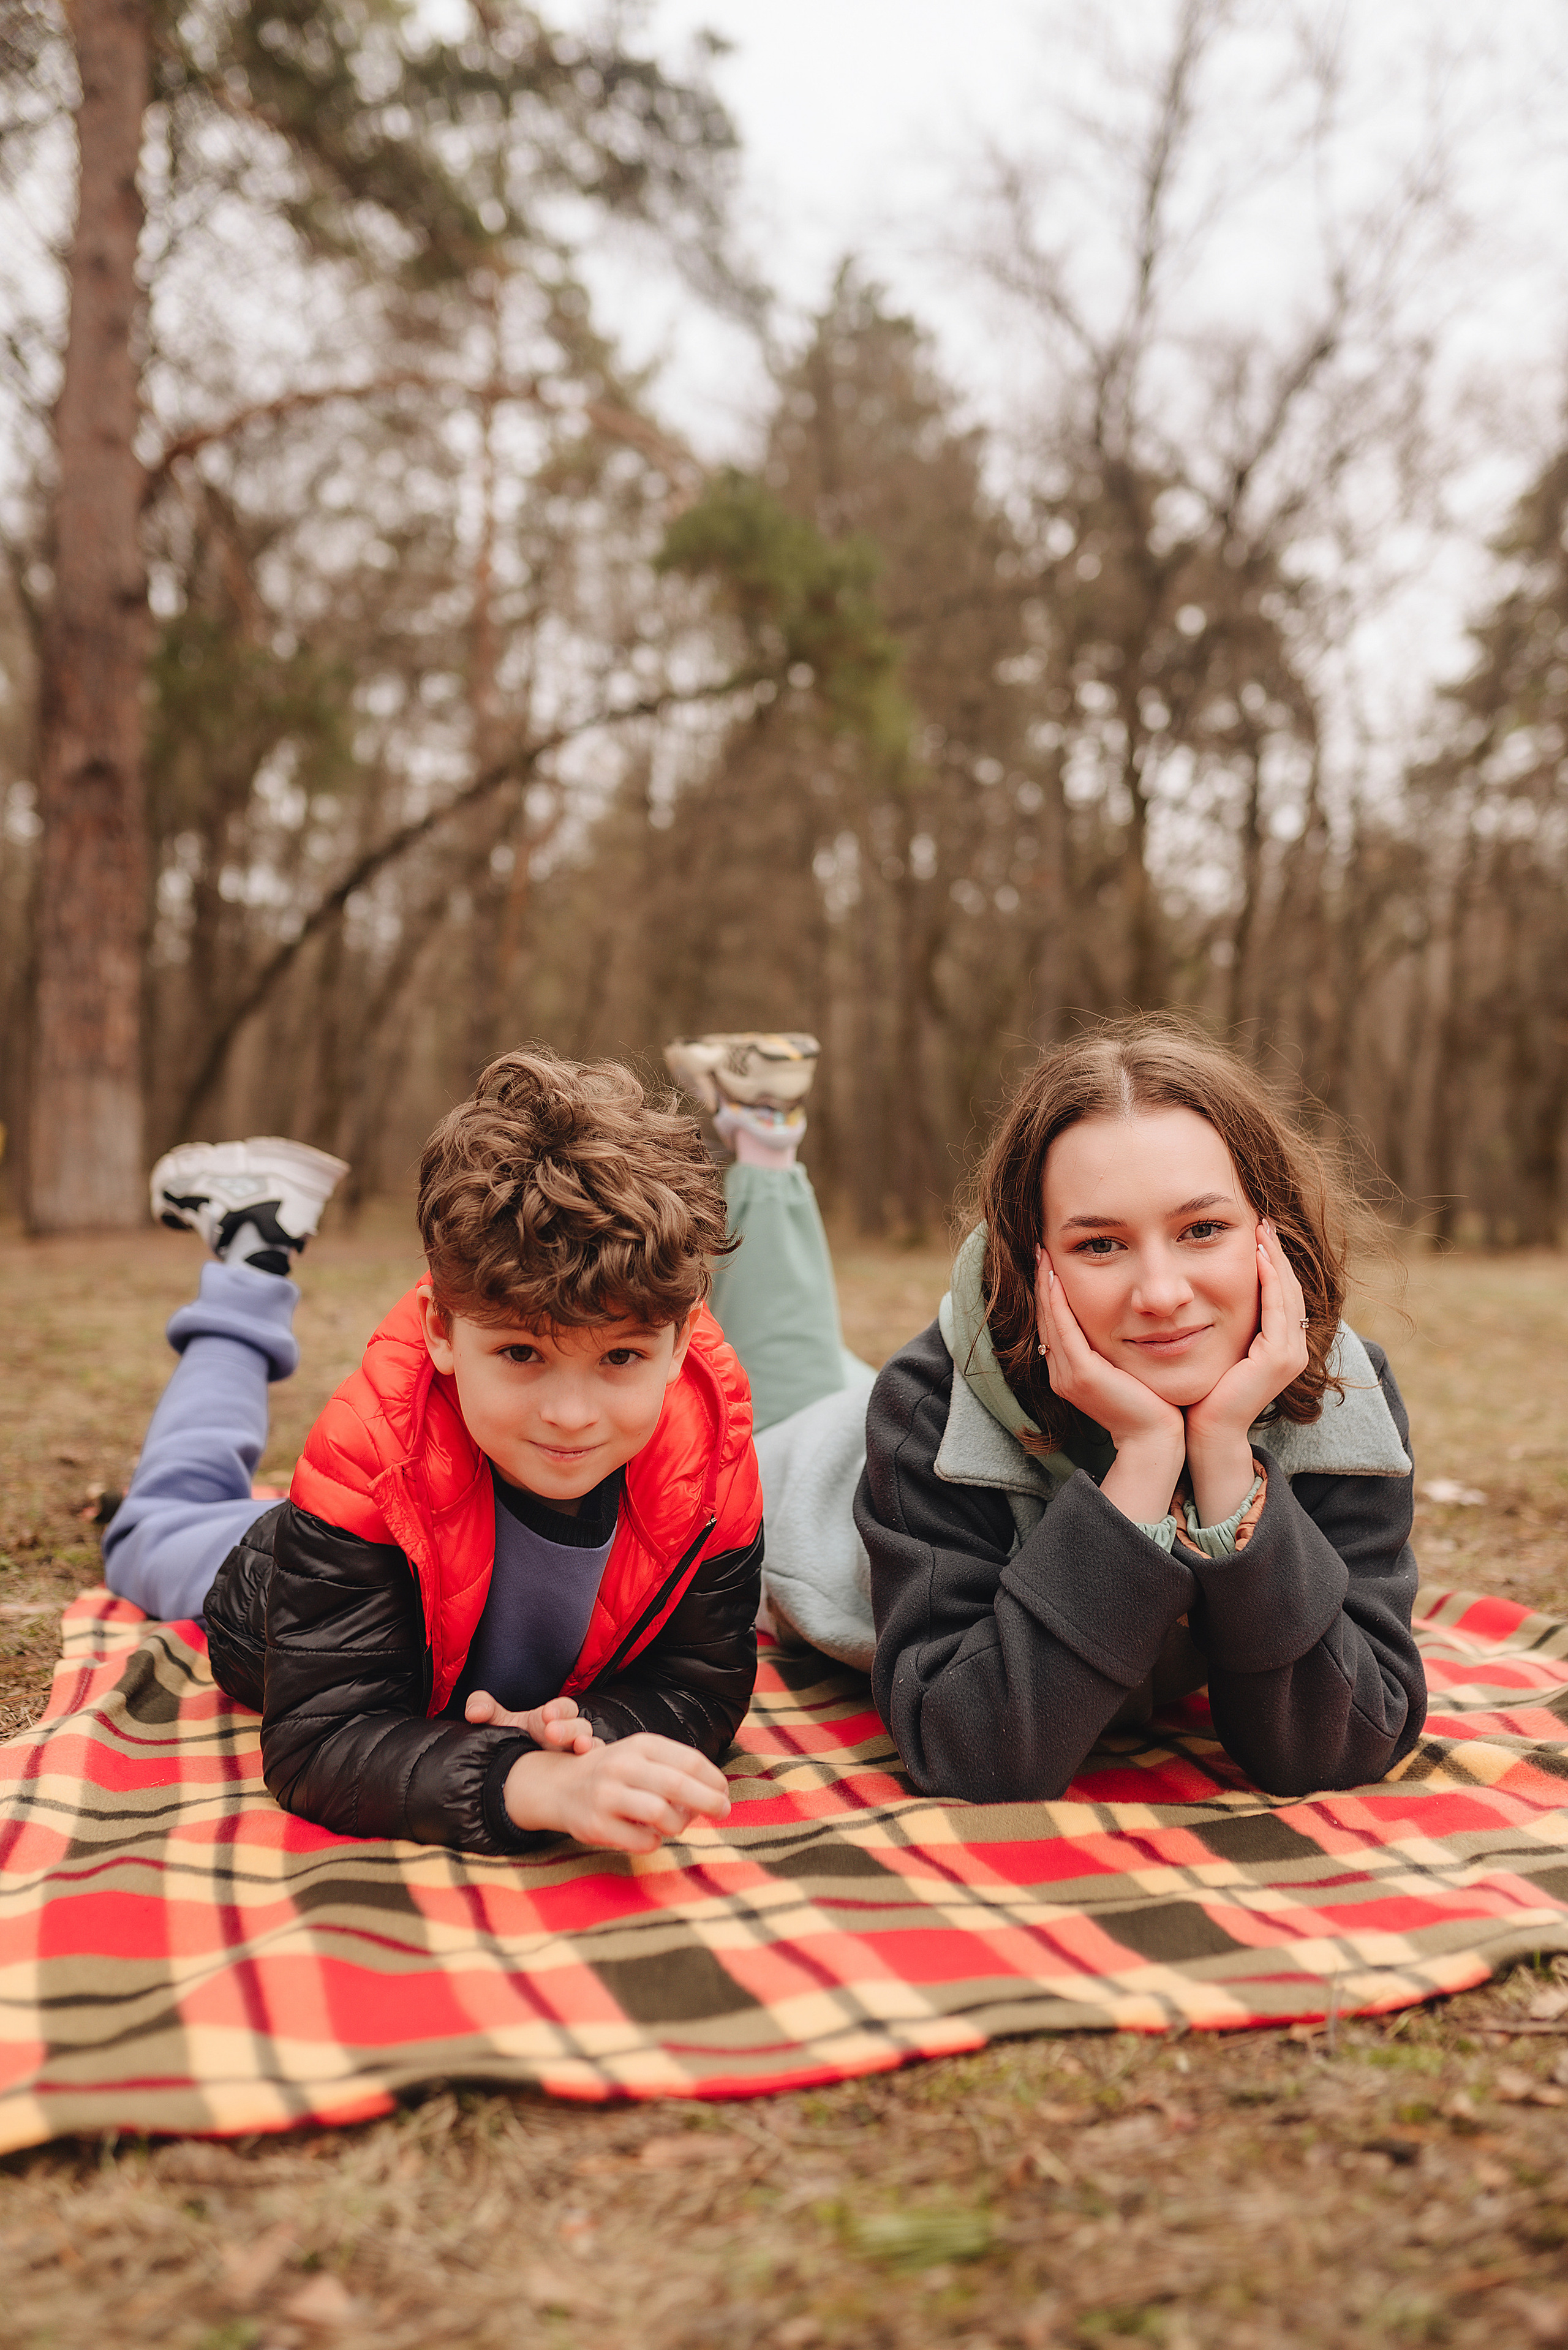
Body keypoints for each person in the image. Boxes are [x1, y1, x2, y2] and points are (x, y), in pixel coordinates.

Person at [663, 1019, 1427, 1808]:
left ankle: (756, 1129)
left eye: (1203, 1230)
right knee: (772, 1367)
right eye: (1100, 1245)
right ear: (1033, 1264)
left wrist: (1225, 1456)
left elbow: (1340, 1742)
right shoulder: (929, 1410)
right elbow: (971, 1751)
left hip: (888, 1408)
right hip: (801, 1474)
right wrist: (1143, 1461)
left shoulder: (1344, 1391)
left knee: (807, 1355)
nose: (1161, 1294)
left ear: (1274, 1234)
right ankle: (759, 1141)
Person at [104, 1053, 763, 1857]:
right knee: (159, 1518)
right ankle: (252, 1252)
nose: (569, 1414)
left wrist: (592, 1731)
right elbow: (321, 1741)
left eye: (621, 1357)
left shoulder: (711, 1456)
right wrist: (534, 1783)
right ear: (442, 1331)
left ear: (681, 1335)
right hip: (271, 1587)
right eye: (522, 1353)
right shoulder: (370, 1452)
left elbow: (702, 1682)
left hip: (378, 1543)